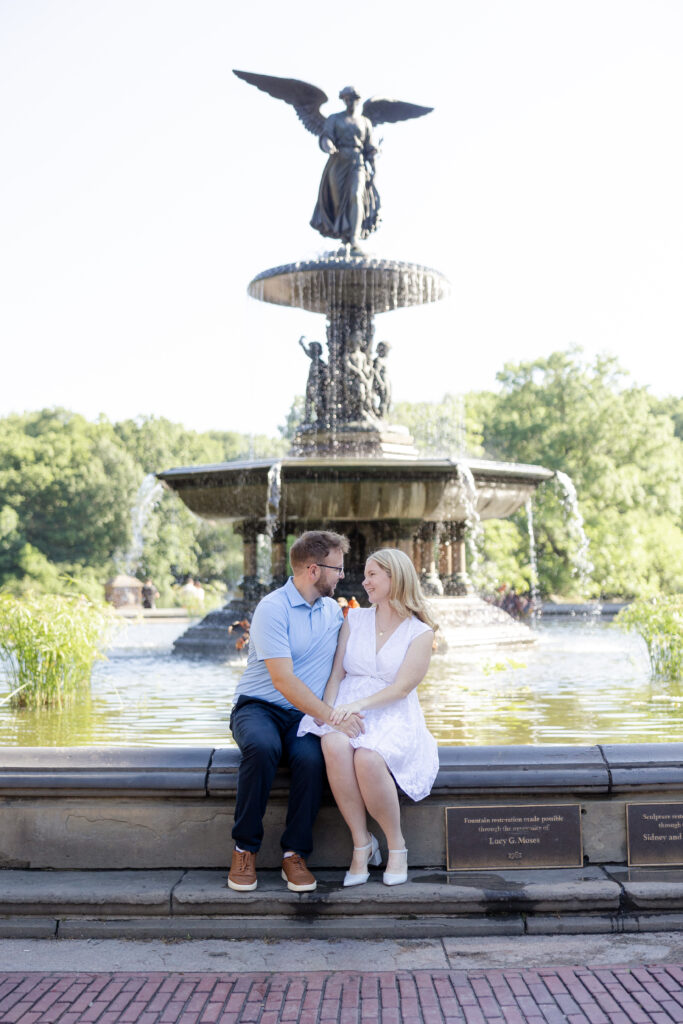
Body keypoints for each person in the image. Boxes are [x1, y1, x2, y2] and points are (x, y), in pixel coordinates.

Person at [227, 530, 365, 894]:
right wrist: (333, 717)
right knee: (262, 747)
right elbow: (283, 681)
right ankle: (244, 849)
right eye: (336, 568)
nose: (341, 576)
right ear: (312, 569)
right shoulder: (272, 609)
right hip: (260, 707)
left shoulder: (334, 612)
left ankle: (294, 854)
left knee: (311, 759)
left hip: (304, 717)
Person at [298, 548, 438, 888]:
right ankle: (361, 844)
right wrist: (329, 713)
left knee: (369, 759)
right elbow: (336, 675)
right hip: (346, 703)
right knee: (333, 743)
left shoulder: (420, 632)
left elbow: (403, 688)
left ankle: (396, 845)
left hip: (390, 710)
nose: (364, 581)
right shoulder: (354, 619)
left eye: (372, 574)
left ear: (394, 578)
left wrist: (359, 704)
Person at [310, 86, 380, 251]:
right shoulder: (334, 119)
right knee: (338, 200)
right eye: (346, 99)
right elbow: (326, 137)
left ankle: (354, 238)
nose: (350, 102)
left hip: (357, 163)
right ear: (343, 100)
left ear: (358, 100)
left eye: (353, 98)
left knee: (356, 195)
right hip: (338, 162)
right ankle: (344, 237)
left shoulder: (365, 122)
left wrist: (374, 167)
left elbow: (369, 147)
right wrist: (328, 145)